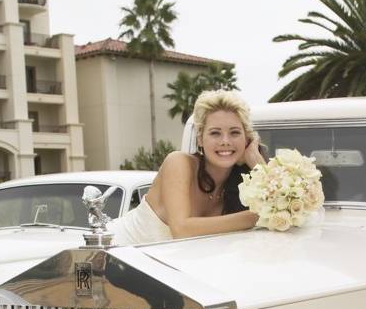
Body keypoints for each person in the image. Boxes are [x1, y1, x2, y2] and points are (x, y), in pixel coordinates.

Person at [107, 90, 266, 245]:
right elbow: (181, 230)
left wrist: (257, 163)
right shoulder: (178, 162)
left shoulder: (239, 185)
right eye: (215, 133)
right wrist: (257, 215)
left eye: (235, 133)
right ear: (200, 139)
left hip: (162, 267)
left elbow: (283, 207)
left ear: (247, 139)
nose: (225, 141)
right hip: (112, 250)